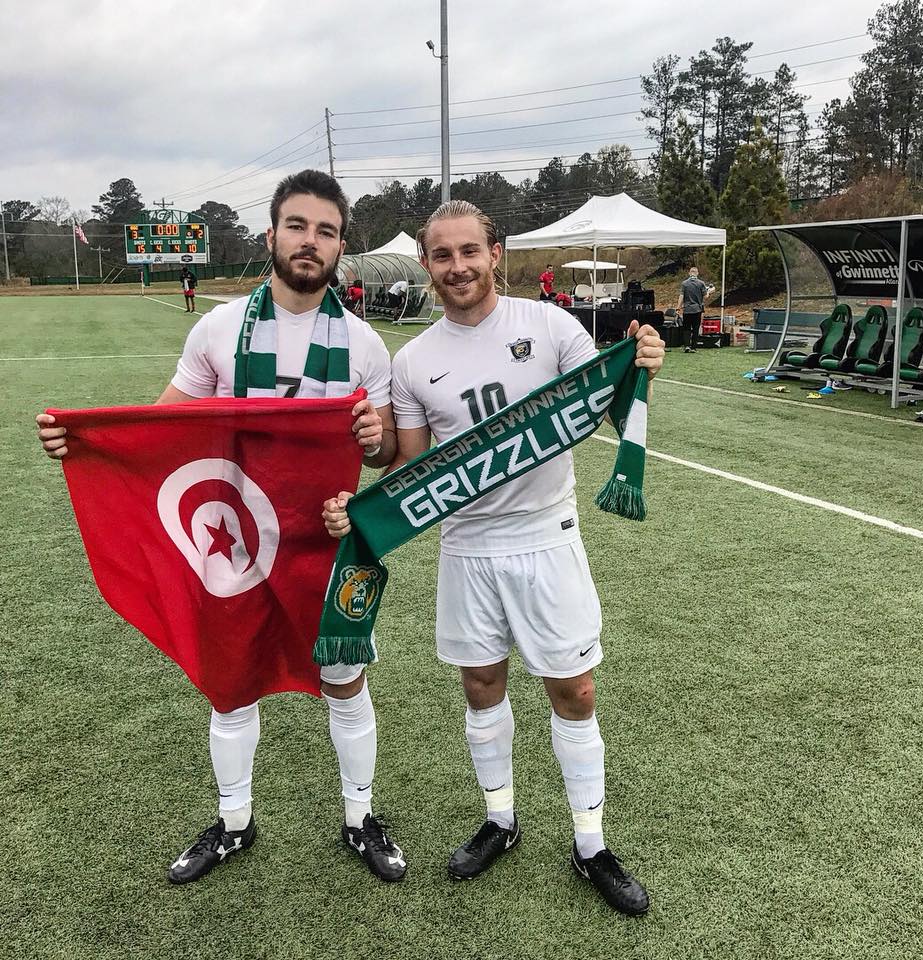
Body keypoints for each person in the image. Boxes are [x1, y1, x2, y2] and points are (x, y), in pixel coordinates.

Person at [36, 170, 408, 887]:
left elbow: (386, 450)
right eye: (297, 226)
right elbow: (163, 427)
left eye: (326, 231)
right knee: (232, 681)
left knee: (345, 678)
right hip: (237, 540)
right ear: (272, 235)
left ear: (340, 247)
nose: (310, 241)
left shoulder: (365, 344)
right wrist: (86, 443)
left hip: (326, 540)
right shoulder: (219, 328)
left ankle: (360, 817)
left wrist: (371, 438)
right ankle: (235, 822)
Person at [323, 200, 666, 917]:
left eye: (469, 251)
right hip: (466, 545)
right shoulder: (414, 360)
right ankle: (500, 819)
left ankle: (591, 843)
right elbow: (409, 464)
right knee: (481, 685)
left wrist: (644, 364)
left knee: (575, 691)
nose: (458, 267)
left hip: (546, 534)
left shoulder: (551, 326)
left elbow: (608, 398)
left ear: (494, 252)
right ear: (427, 264)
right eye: (442, 255)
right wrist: (368, 470)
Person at [676, 266, 715, 353]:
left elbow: (681, 296)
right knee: (695, 328)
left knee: (686, 328)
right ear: (697, 273)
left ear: (689, 273)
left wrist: (678, 307)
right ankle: (693, 347)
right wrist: (710, 291)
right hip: (697, 310)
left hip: (687, 309)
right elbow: (705, 296)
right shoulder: (701, 283)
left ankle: (687, 346)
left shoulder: (684, 284)